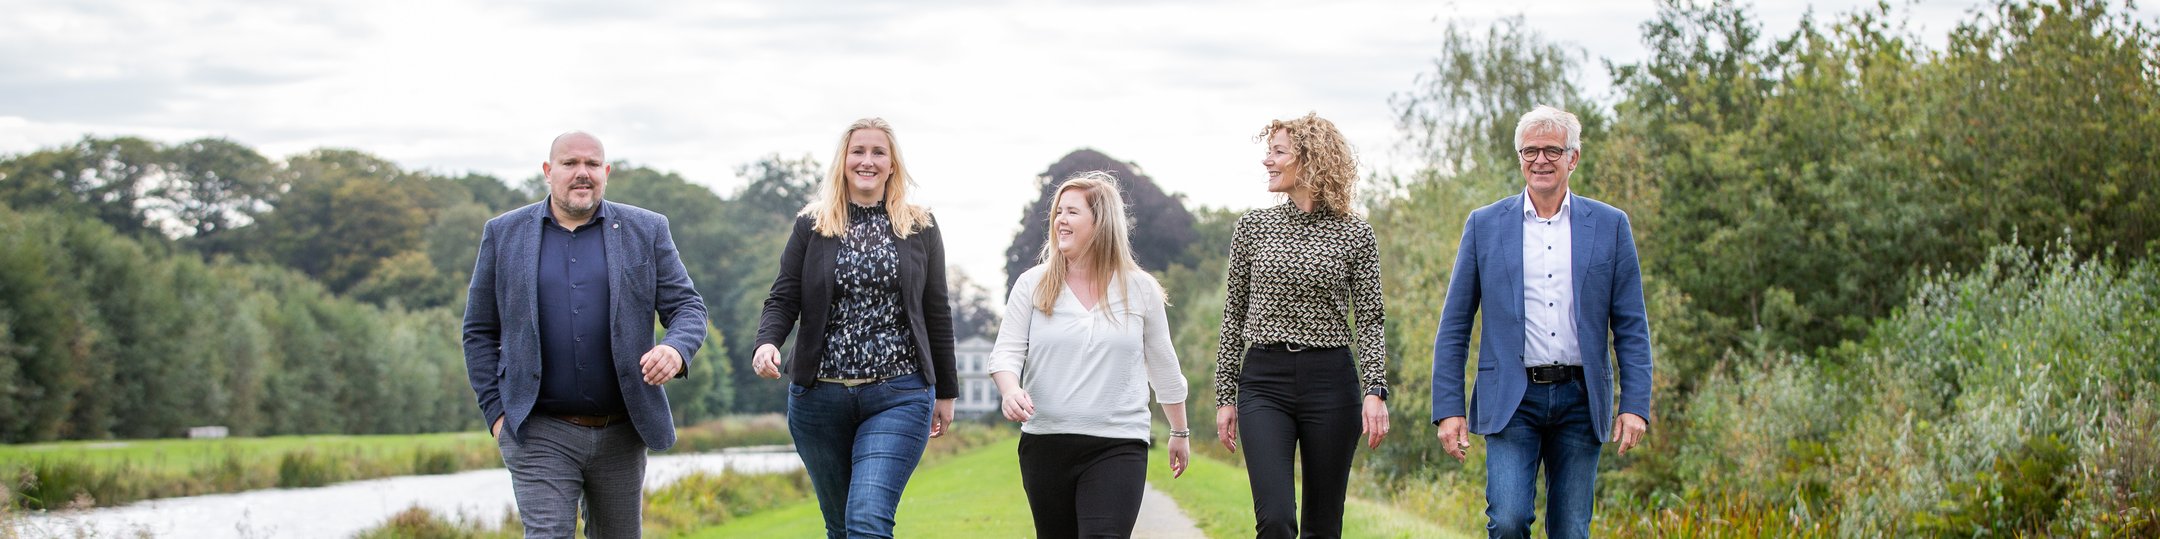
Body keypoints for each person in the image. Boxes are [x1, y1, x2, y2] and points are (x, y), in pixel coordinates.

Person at [462, 131, 709, 538]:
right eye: (570, 164)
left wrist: (676, 348)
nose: (583, 173)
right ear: (548, 171)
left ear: (606, 172)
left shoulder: (646, 229)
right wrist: (497, 416)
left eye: (592, 165)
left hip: (622, 430)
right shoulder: (503, 234)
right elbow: (478, 331)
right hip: (539, 429)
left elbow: (688, 307)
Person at [1430, 105, 1653, 539]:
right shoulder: (1484, 225)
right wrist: (1449, 409)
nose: (1540, 160)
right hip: (1512, 398)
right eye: (1530, 151)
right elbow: (1455, 323)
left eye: (1553, 150)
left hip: (1580, 398)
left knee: (1571, 530)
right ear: (1519, 158)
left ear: (1574, 158)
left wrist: (1634, 405)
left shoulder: (1610, 225)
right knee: (1509, 520)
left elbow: (1631, 326)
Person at [750, 117, 958, 539]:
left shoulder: (920, 226)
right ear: (843, 161)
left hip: (899, 392)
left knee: (866, 519)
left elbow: (937, 311)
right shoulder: (812, 224)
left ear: (892, 164)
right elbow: (784, 297)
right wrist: (767, 342)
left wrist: (947, 391)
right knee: (841, 527)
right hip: (818, 399)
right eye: (858, 151)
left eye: (878, 152)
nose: (868, 160)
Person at [1213, 113, 1390, 539]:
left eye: (1278, 152)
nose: (1267, 162)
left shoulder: (1355, 234)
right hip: (1263, 382)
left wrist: (1375, 390)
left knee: (1323, 526)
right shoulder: (1253, 228)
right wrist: (1224, 395)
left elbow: (1369, 319)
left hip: (1331, 383)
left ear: (1310, 160)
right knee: (1274, 520)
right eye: (1268, 151)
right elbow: (1233, 315)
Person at [988, 171, 1191, 539]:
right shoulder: (1033, 284)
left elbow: (1163, 365)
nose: (1060, 220)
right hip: (1046, 443)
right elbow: (1006, 352)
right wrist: (1009, 390)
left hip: (1117, 443)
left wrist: (1179, 431)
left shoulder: (1139, 289)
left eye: (1072, 212)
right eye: (1058, 211)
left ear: (1100, 223)